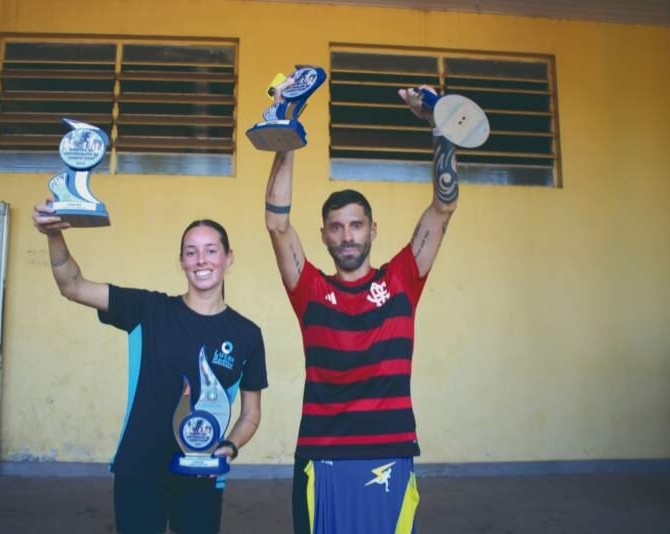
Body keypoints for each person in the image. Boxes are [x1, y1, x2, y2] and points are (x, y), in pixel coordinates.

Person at [264, 83, 457, 533]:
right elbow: (277, 224)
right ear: (325, 235)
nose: (347, 235)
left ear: (373, 230)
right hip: (321, 454)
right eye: (336, 228)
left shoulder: (402, 280)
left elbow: (442, 208)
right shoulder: (309, 289)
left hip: (390, 450)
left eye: (355, 225)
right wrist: (286, 140)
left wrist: (441, 129)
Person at [32, 209, 268, 534]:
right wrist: (53, 234)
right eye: (191, 252)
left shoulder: (246, 334)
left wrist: (227, 448)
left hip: (202, 475)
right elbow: (72, 286)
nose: (201, 260)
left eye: (211, 250)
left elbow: (251, 414)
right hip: (139, 470)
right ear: (182, 261)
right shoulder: (148, 310)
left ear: (229, 258)